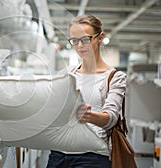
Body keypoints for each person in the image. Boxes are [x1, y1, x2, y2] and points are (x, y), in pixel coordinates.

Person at [46, 14, 126, 168]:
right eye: (74, 41)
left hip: (92, 157)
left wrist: (89, 116)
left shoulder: (114, 77)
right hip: (59, 154)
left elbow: (111, 118)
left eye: (85, 39)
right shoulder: (66, 74)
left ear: (100, 37)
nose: (80, 46)